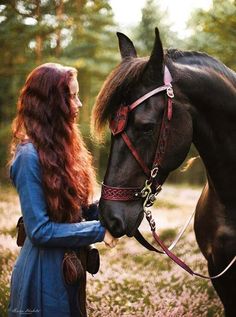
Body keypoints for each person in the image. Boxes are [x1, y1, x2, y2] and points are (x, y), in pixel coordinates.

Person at [8, 63, 118, 317]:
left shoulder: (63, 150)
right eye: (71, 96)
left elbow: (74, 212)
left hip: (70, 269)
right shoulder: (29, 156)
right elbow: (40, 231)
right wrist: (99, 231)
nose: (79, 104)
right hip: (42, 276)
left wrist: (116, 208)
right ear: (50, 102)